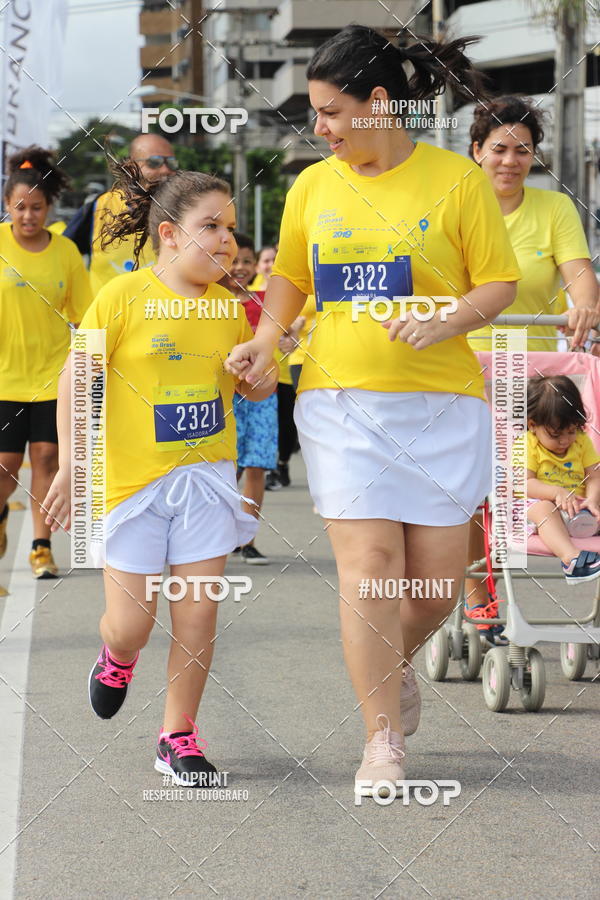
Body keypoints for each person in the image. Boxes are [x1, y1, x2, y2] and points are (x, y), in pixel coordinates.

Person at [226, 25, 520, 796]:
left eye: (330, 111)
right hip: (341, 402)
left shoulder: (457, 181)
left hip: (445, 406)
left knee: (435, 589)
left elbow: (497, 283)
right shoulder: (312, 188)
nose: (319, 127)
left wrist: (445, 320)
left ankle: (392, 664)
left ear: (379, 102)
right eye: (315, 113)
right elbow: (290, 279)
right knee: (370, 571)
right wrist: (264, 339)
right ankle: (380, 737)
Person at [42, 165, 278, 784]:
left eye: (231, 227)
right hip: (132, 485)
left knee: (198, 618)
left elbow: (256, 387)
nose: (227, 239)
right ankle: (117, 656)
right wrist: (71, 464)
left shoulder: (232, 308)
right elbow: (76, 378)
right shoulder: (123, 296)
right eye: (212, 226)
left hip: (207, 481)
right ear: (169, 234)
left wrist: (259, 374)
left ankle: (178, 736)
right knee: (133, 624)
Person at [464, 96, 600, 632]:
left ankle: (567, 551)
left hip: (535, 375)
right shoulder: (456, 206)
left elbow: (579, 275)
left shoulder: (554, 210)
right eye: (499, 148)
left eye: (523, 150)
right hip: (465, 367)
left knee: (538, 474)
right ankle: (479, 590)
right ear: (476, 150)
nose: (510, 160)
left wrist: (584, 306)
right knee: (472, 485)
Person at [0, 145, 93, 578]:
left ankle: (41, 546)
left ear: (48, 207)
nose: (28, 216)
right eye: (20, 207)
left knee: (46, 459)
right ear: (7, 205)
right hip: (4, 378)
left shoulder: (66, 252)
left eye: (36, 207)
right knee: (5, 465)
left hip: (54, 376)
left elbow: (84, 317)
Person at [221, 233, 278, 564]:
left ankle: (248, 540)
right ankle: (223, 533)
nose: (240, 267)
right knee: (228, 467)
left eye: (247, 261)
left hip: (261, 397)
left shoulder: (267, 302)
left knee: (257, 465)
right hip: (224, 397)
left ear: (256, 265)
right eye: (234, 261)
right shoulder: (211, 301)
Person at [65, 133, 178, 296]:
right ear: (132, 166)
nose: (166, 170)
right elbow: (61, 257)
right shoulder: (98, 207)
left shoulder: (183, 211)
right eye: (154, 162)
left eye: (171, 163)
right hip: (107, 312)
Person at [522, 375, 600, 582]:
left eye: (571, 431)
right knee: (544, 508)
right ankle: (572, 559)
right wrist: (557, 492)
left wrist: (592, 500)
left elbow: (594, 475)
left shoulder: (581, 442)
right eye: (555, 435)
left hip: (580, 510)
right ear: (533, 424)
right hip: (540, 510)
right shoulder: (527, 444)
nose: (565, 440)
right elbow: (525, 484)